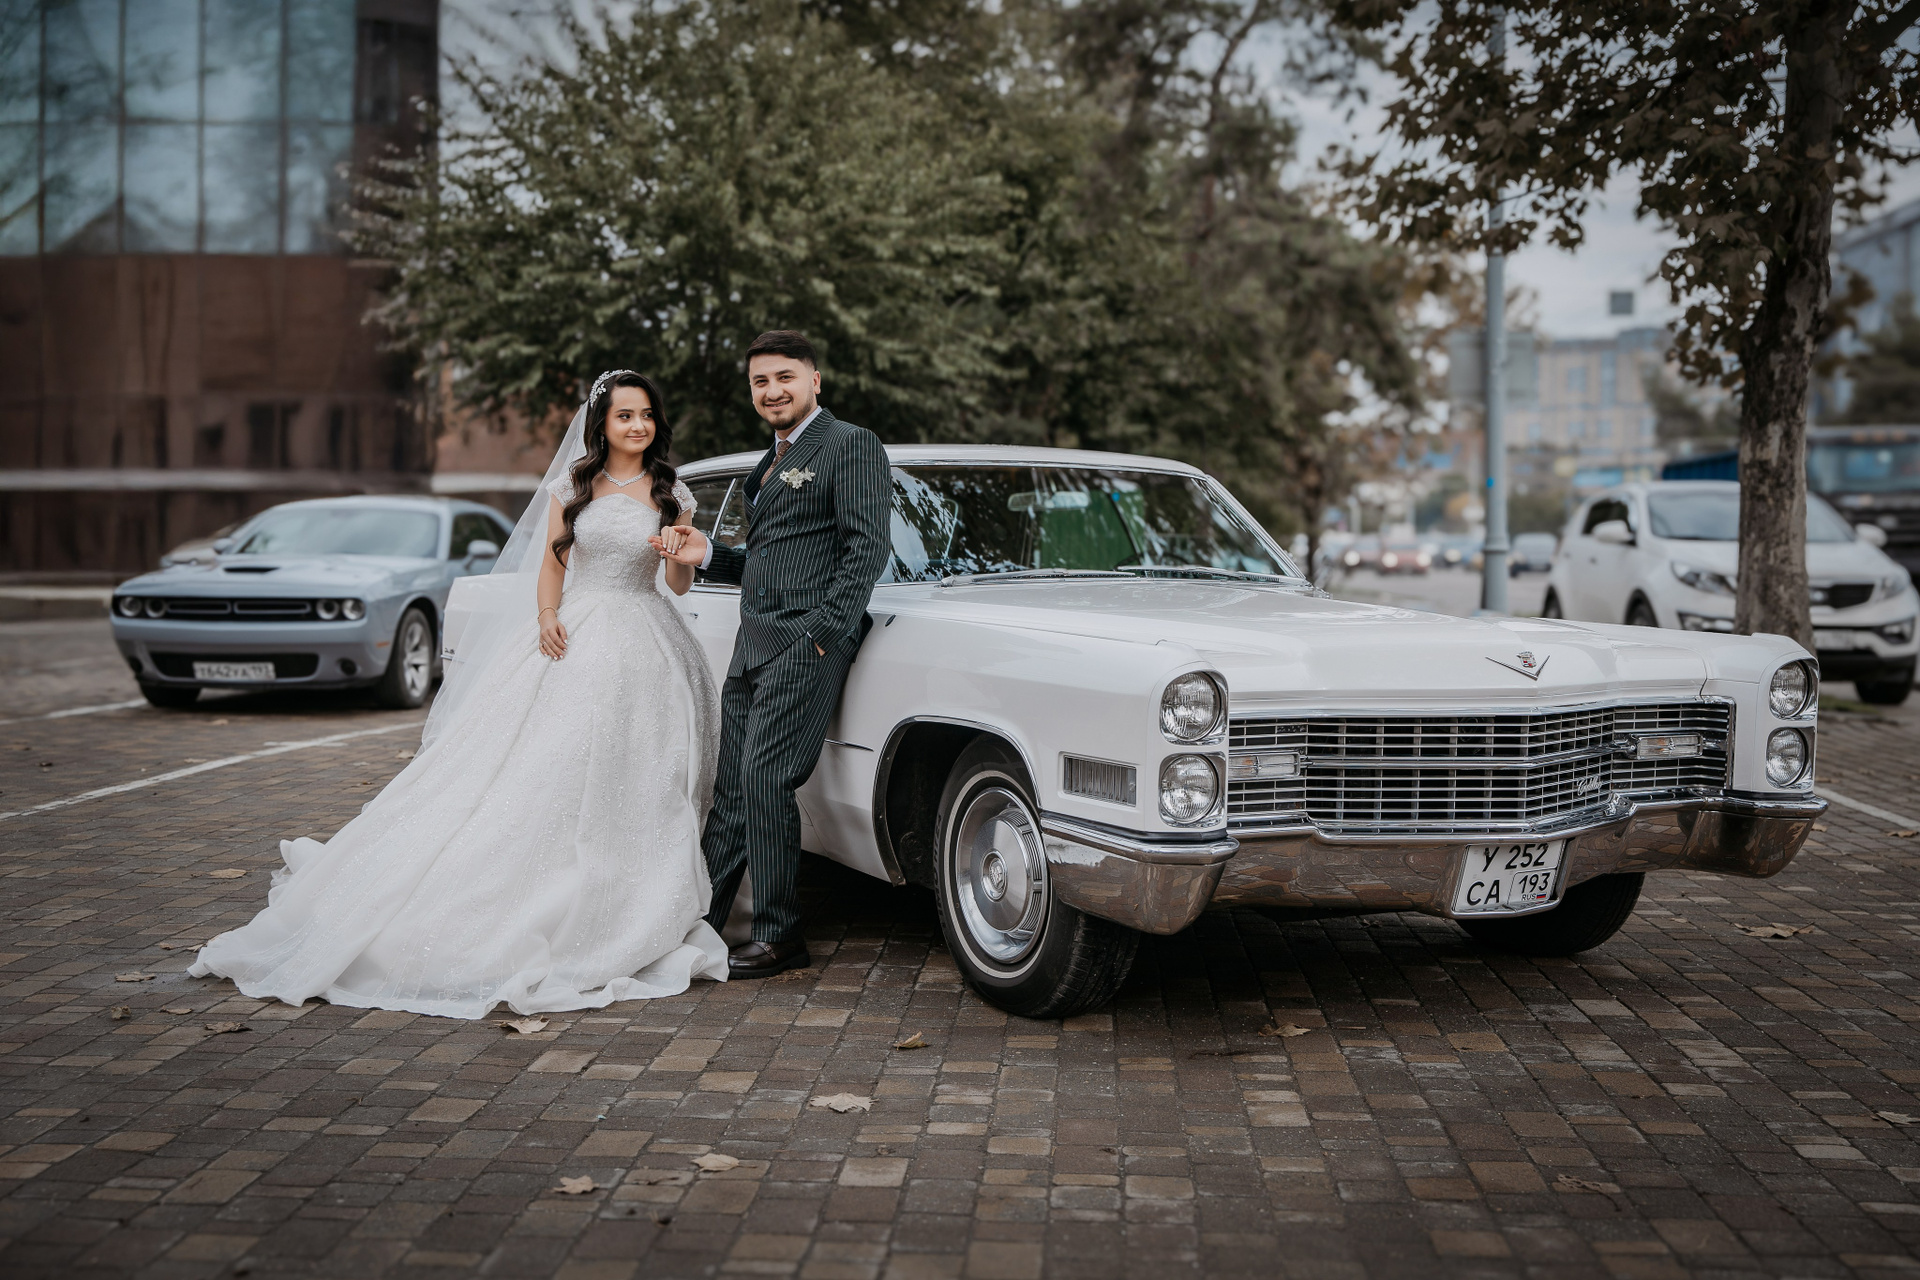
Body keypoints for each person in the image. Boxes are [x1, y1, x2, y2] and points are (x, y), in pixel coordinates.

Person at [190, 371, 728, 1018]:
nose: (637, 426)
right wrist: (547, 616)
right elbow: (552, 564)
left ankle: (630, 887)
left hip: (648, 640)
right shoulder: (573, 485)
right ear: (603, 424)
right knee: (549, 764)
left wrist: (680, 553)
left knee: (642, 769)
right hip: (578, 633)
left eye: (646, 415)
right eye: (625, 416)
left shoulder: (673, 491)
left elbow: (677, 584)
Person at [652, 330, 891, 977]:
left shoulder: (850, 444)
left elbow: (866, 548)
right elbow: (769, 561)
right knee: (731, 788)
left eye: (785, 377)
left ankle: (780, 934)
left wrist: (823, 634)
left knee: (765, 777)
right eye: (760, 381)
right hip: (752, 644)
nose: (772, 391)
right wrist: (710, 554)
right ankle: (701, 923)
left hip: (805, 643)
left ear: (815, 380)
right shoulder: (768, 462)